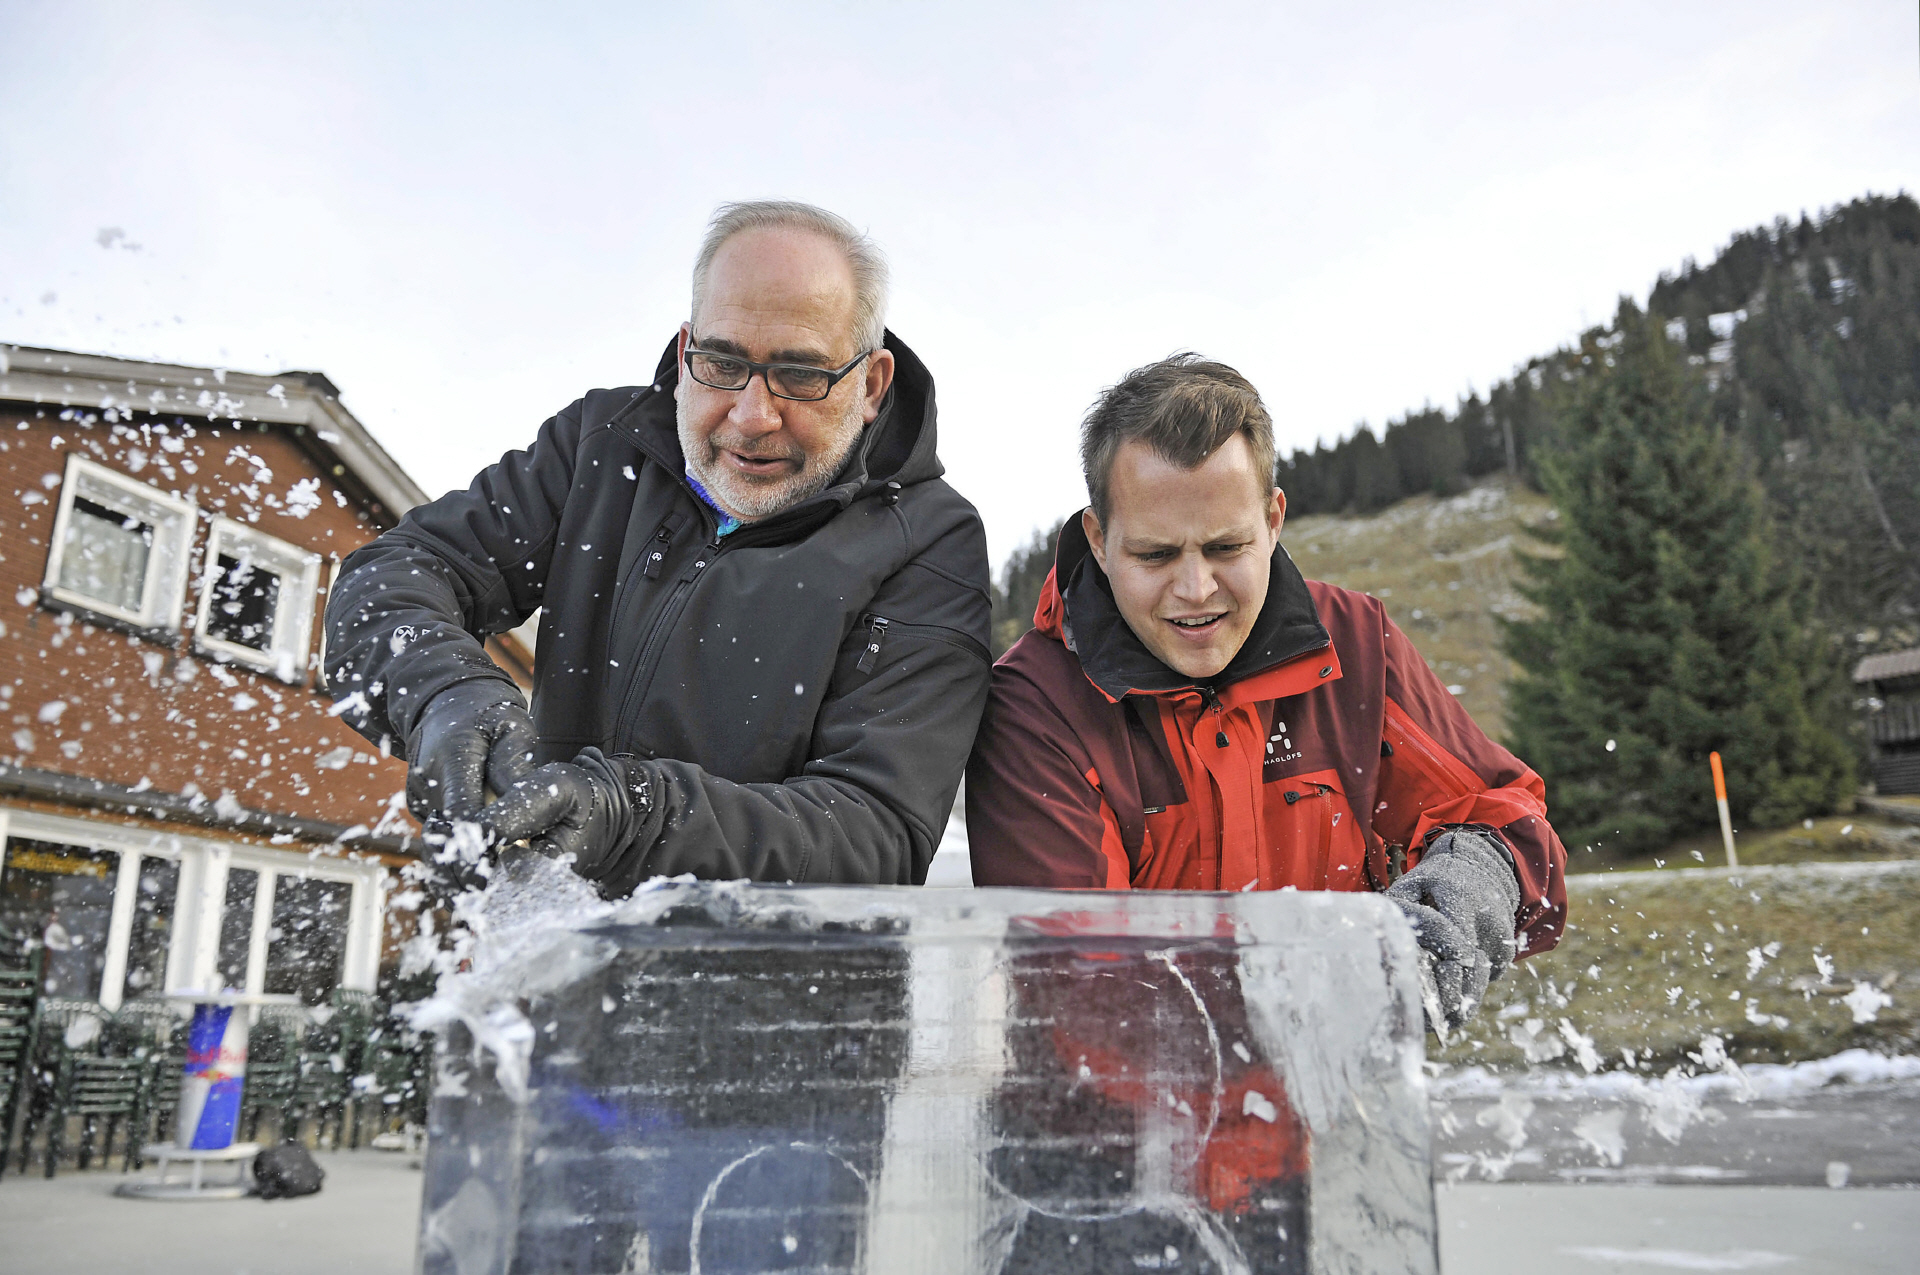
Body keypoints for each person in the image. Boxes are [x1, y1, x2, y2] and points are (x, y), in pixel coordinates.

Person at [324, 201, 992, 894]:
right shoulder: (601, 445)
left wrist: (631, 817)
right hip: (540, 942)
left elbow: (877, 834)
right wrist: (444, 691)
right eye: (722, 362)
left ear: (871, 384)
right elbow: (398, 573)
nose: (752, 416)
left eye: (801, 375)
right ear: (684, 352)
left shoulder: (932, 541)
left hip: (767, 962)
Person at [966, 354, 1567, 1028]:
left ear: (1274, 519)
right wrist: (1312, 996)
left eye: (1226, 547)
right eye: (1155, 555)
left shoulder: (1356, 644)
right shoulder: (1034, 707)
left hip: (1341, 1090)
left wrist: (1469, 880)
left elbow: (1506, 820)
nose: (1195, 590)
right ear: (1099, 540)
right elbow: (1083, 992)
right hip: (1124, 1101)